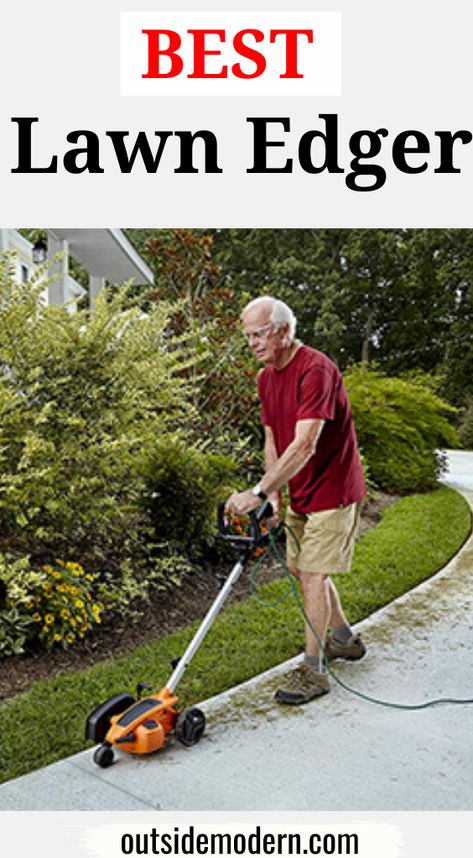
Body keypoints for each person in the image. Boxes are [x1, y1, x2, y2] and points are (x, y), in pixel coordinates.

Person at [225, 296, 367, 705]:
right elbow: (274, 439)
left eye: (259, 333)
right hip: (301, 489)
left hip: (334, 490)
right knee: (301, 569)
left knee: (312, 574)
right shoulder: (265, 378)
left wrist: (253, 493)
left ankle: (314, 670)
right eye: (247, 335)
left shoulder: (316, 369)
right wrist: (271, 494)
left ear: (284, 331)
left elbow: (305, 444)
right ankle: (342, 638)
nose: (252, 342)